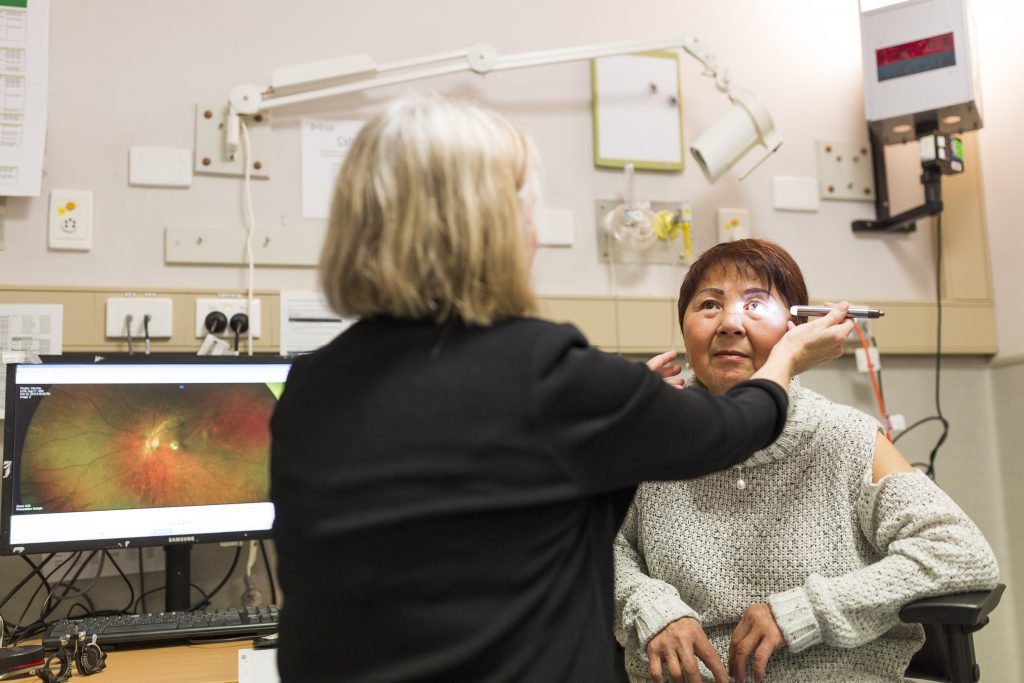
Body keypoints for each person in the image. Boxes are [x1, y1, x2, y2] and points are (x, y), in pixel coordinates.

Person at [269, 95, 852, 682]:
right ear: (491, 228)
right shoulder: (540, 373)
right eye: (525, 209)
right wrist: (787, 358)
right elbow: (730, 429)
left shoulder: (310, 386)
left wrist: (619, 408)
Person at [613, 238, 999, 683]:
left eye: (755, 304)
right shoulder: (649, 438)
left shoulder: (844, 436)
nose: (729, 323)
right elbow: (597, 550)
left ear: (796, 330)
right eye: (709, 305)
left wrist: (808, 609)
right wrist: (648, 607)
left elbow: (960, 553)